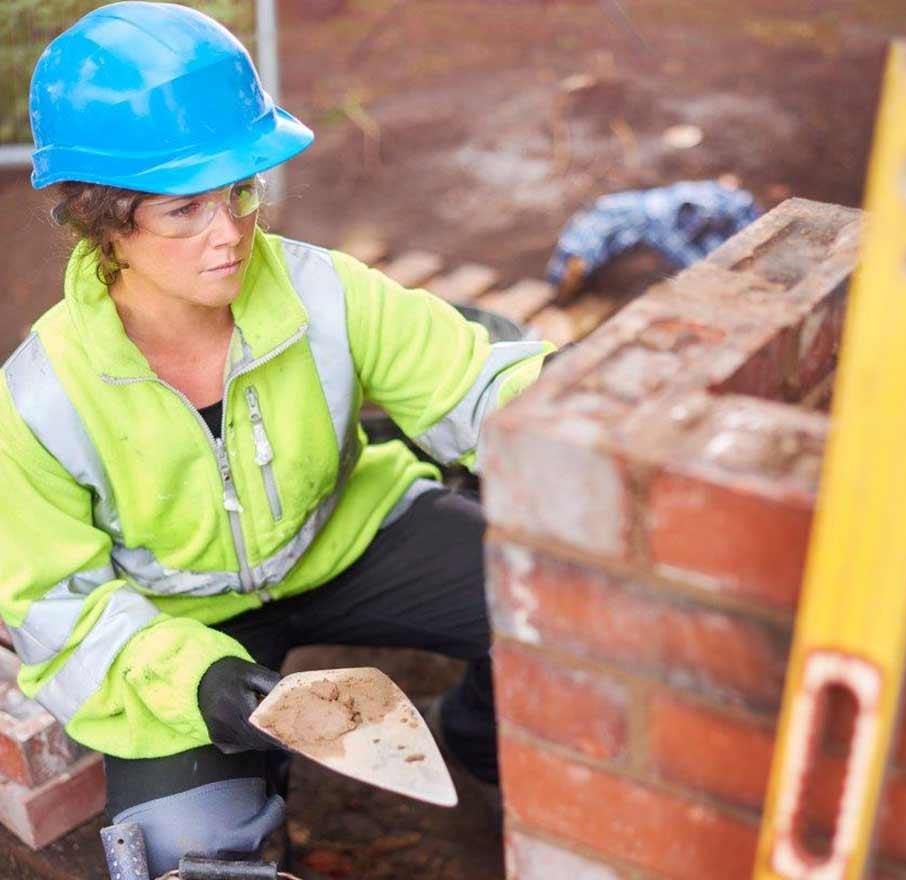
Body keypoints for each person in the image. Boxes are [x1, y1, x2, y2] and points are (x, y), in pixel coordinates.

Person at [1, 3, 548, 867]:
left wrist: (592, 422)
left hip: (343, 538)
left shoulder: (327, 293)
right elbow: (54, 609)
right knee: (190, 852)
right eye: (184, 211)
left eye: (241, 191)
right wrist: (198, 680)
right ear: (101, 221)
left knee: (553, 601)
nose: (229, 235)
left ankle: (480, 738)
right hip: (177, 620)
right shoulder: (38, 402)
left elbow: (484, 385)